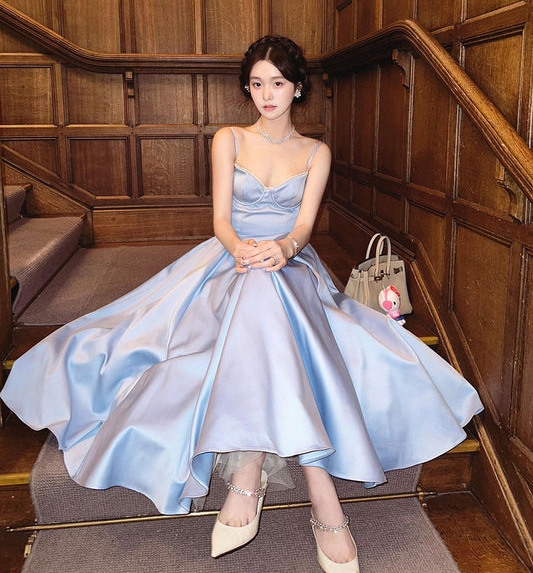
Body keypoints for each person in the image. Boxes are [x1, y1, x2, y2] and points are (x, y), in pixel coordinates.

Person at [1, 36, 483, 573]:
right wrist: (242, 252)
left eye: (277, 83)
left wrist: (283, 249)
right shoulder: (228, 139)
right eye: (256, 84)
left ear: (297, 88)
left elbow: (304, 226)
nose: (266, 94)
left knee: (268, 289)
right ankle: (323, 500)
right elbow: (221, 221)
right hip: (229, 260)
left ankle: (248, 474)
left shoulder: (316, 152)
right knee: (255, 289)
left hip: (293, 264)